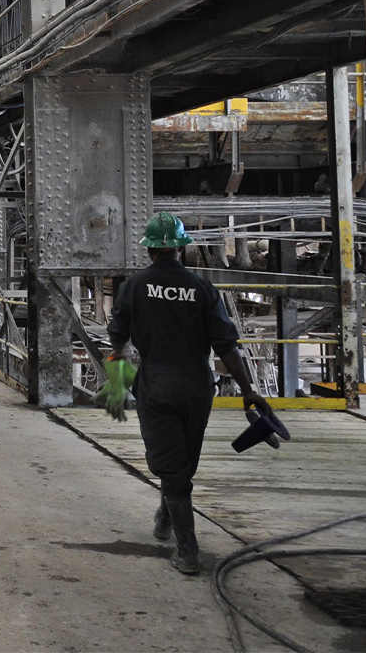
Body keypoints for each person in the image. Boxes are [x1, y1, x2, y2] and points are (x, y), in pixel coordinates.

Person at [108, 211, 272, 575]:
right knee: (183, 463)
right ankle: (167, 517)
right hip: (198, 387)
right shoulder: (202, 288)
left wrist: (117, 381)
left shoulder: (133, 287)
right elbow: (227, 345)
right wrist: (249, 391)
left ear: (150, 249)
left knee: (171, 465)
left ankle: (188, 551)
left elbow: (117, 339)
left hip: (157, 385)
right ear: (181, 248)